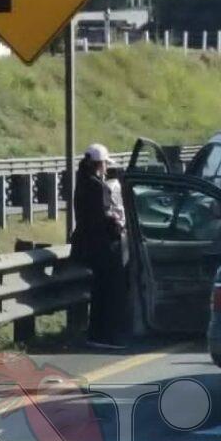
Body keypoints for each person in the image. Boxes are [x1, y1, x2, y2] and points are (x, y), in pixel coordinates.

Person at [72, 143, 129, 348]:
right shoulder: (97, 187)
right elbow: (105, 217)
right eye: (105, 164)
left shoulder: (83, 182)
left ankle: (98, 334)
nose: (106, 167)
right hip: (103, 246)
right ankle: (105, 334)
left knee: (99, 291)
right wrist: (118, 225)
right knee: (109, 291)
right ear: (100, 164)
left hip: (89, 245)